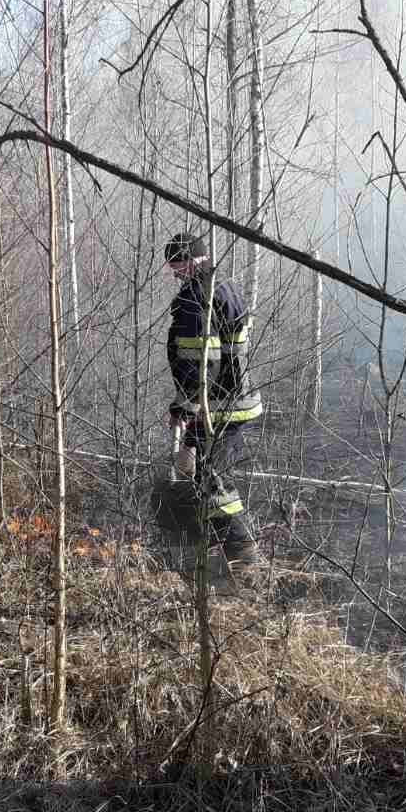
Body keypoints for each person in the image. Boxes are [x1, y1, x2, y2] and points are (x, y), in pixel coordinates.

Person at [164, 232, 263, 565]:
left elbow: (199, 359)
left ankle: (240, 548)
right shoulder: (223, 287)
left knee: (210, 474)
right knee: (197, 466)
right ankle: (212, 538)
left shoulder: (198, 299)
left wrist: (187, 403)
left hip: (220, 403)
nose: (176, 275)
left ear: (194, 262)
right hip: (231, 397)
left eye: (178, 268)